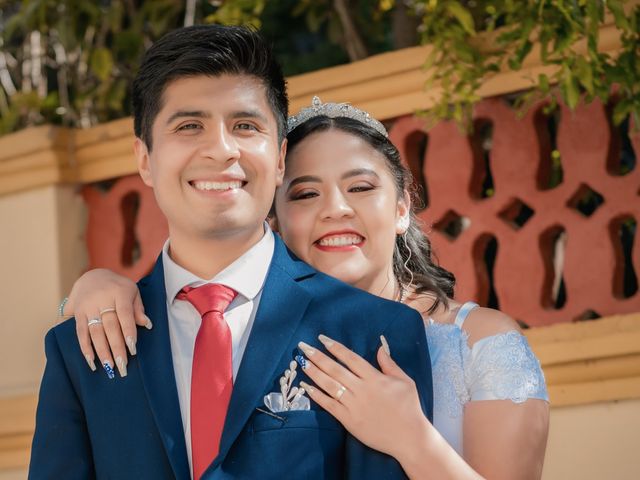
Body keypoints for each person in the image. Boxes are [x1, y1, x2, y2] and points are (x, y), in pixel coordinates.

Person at [63, 97, 550, 479]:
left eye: (360, 188)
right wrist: (94, 285)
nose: (335, 209)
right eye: (306, 193)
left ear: (402, 207)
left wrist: (411, 439)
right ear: (274, 219)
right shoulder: (252, 329)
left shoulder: (480, 344)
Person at [29, 26, 434, 480]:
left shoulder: (372, 331)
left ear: (280, 158)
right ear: (144, 159)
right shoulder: (78, 349)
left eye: (244, 126)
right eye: (189, 126)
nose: (221, 149)